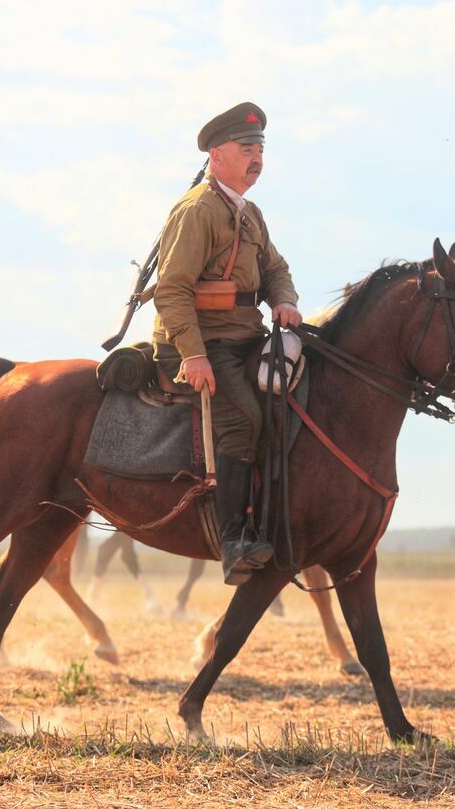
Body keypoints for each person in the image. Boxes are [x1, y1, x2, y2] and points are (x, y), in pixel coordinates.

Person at [151, 102, 303, 585]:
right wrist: (193, 355)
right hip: (200, 339)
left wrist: (285, 301)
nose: (256, 158)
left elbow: (276, 269)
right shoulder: (197, 210)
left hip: (244, 334)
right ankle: (235, 539)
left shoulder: (250, 213)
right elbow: (171, 290)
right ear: (217, 155)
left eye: (260, 149)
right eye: (246, 149)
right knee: (243, 417)